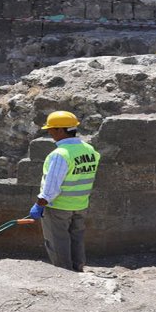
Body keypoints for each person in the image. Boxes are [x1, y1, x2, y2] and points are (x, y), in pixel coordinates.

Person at [28, 111, 100, 272]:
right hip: (80, 205)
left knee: (57, 242)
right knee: (76, 239)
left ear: (60, 130)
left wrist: (40, 204)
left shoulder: (60, 154)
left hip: (58, 207)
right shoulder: (89, 150)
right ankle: (78, 268)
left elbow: (52, 186)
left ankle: (65, 274)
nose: (49, 133)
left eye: (51, 129)